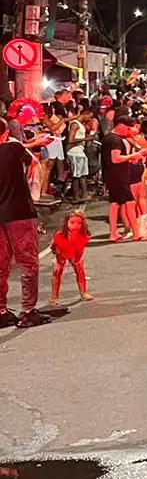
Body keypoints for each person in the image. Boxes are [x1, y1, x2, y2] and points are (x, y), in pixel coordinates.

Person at [0, 113, 52, 328]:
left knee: (1, 264)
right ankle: (28, 311)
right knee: (28, 262)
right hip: (19, 211)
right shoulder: (14, 149)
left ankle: (1, 310)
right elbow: (35, 162)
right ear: (5, 132)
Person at [50, 209, 93, 305]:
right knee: (57, 273)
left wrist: (77, 259)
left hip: (76, 254)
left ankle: (83, 292)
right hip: (61, 254)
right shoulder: (60, 234)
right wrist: (61, 259)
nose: (75, 226)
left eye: (79, 223)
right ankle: (54, 297)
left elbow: (80, 249)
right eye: (72, 222)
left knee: (80, 271)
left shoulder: (83, 234)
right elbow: (56, 248)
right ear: (66, 222)